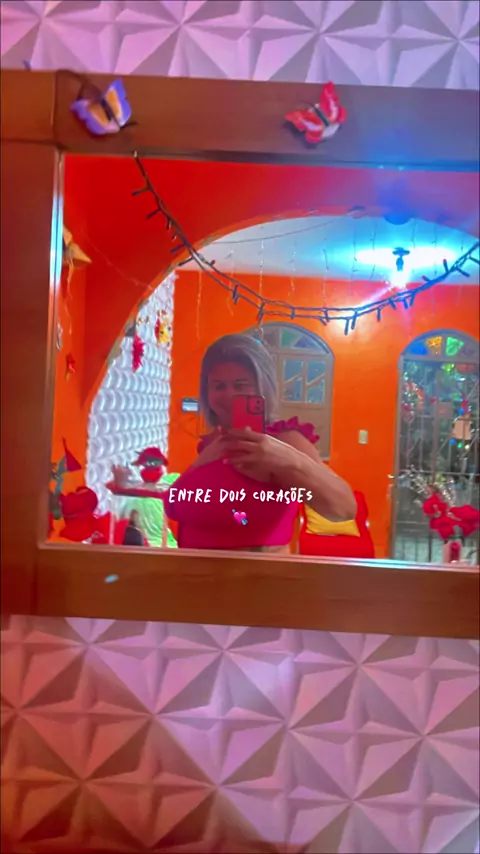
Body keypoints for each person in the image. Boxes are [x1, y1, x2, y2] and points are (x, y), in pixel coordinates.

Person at [164, 333, 356, 553]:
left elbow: (344, 509)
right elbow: (173, 505)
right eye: (219, 386)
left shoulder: (283, 440)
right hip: (189, 572)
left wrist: (287, 460)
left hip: (256, 574)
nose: (229, 394)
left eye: (240, 385)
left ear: (262, 388)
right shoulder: (212, 443)